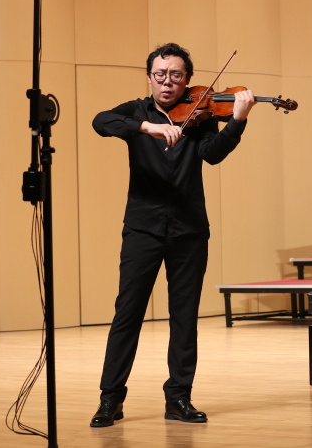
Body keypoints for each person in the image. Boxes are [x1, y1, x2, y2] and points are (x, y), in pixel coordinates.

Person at [89, 43, 256, 427]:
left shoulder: (201, 114)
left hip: (189, 229)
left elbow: (212, 154)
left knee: (184, 317)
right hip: (142, 228)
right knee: (127, 314)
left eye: (176, 75)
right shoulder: (136, 111)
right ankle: (110, 399)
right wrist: (146, 127)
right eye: (160, 75)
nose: (167, 82)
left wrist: (238, 120)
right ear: (149, 78)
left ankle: (178, 398)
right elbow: (100, 121)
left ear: (187, 80)